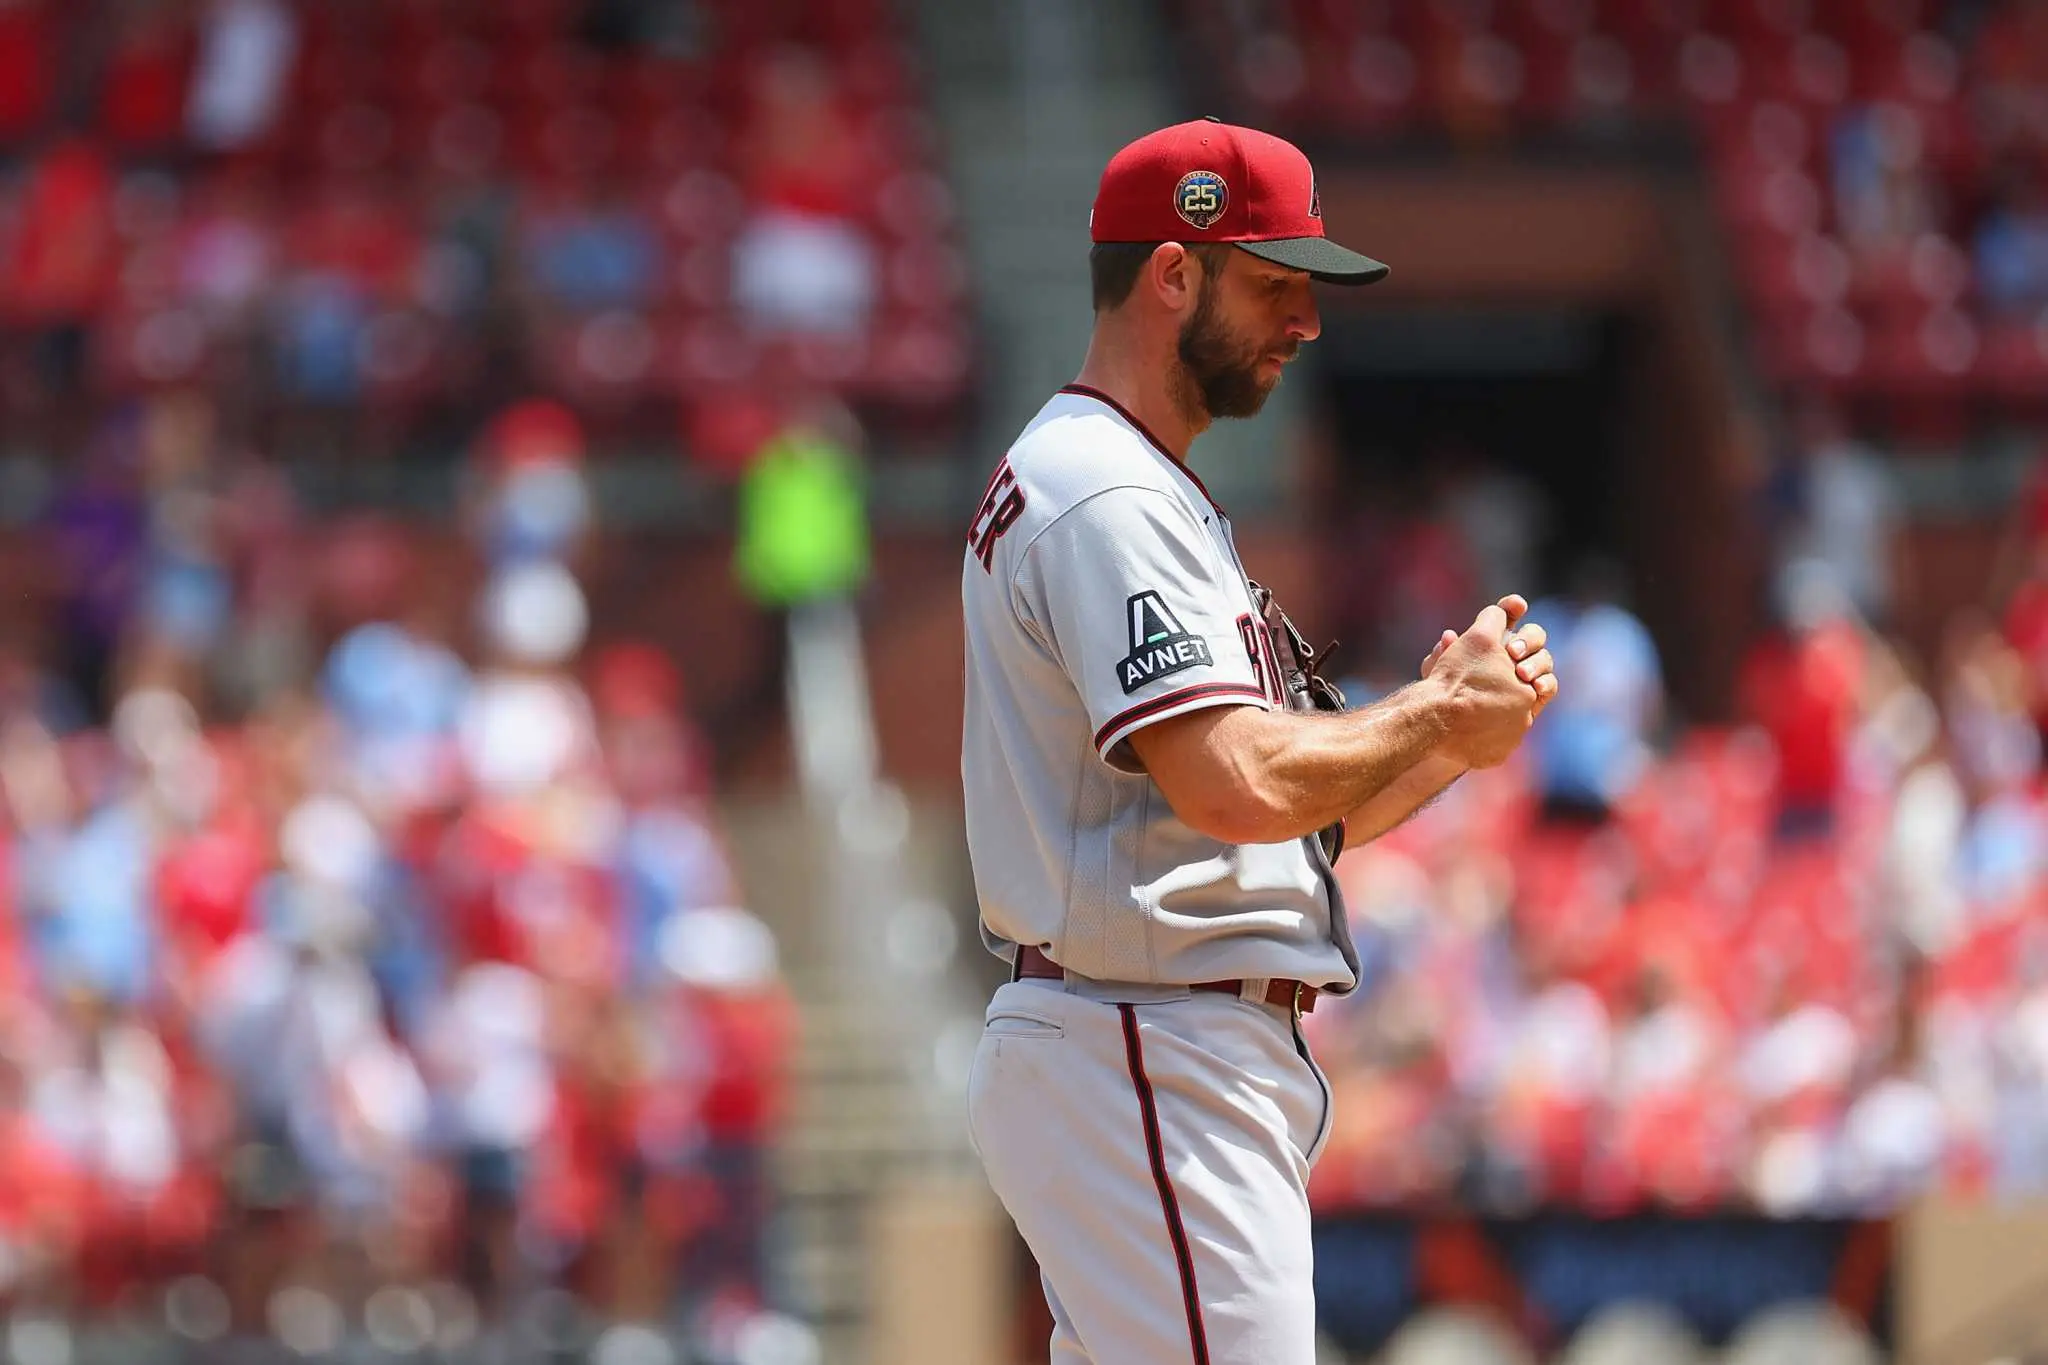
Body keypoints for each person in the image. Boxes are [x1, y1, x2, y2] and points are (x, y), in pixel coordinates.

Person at [959, 118, 1559, 1365]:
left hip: (1144, 1041)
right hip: (1142, 1038)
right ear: (1172, 272)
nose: (1306, 318)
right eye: (1275, 280)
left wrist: (1445, 735)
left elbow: (1289, 814)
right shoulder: (1109, 493)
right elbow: (1232, 781)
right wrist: (1433, 708)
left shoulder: (1127, 479)